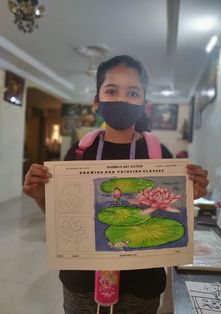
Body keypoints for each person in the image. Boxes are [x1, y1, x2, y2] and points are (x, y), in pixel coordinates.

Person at [23, 55, 209, 314]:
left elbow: (175, 211)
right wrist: (42, 198)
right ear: (97, 101)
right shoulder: (80, 152)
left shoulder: (159, 153)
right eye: (111, 91)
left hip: (141, 285)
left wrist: (192, 195)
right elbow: (63, 219)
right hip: (81, 283)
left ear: (144, 102)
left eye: (133, 92)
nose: (122, 99)